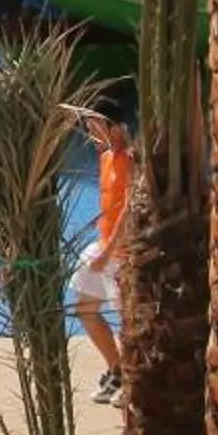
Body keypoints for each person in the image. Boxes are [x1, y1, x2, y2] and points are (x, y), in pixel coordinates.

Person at [68, 100, 133, 405]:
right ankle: (117, 370)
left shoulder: (133, 160)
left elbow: (130, 208)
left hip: (125, 252)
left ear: (116, 128)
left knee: (128, 319)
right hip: (104, 244)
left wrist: (109, 251)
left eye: (96, 124)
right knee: (84, 308)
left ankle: (134, 381)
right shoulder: (106, 157)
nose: (90, 131)